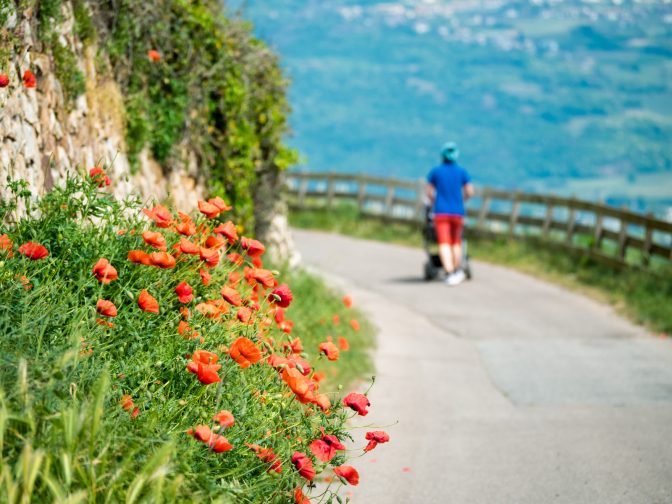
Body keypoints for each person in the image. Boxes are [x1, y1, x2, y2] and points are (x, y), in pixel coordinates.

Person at [426, 142, 475, 286]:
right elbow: (470, 191)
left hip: (441, 212)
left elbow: (429, 192)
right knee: (456, 242)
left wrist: (435, 201)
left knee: (444, 243)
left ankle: (449, 271)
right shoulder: (462, 172)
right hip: (458, 212)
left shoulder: (436, 171)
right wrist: (462, 200)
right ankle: (457, 270)